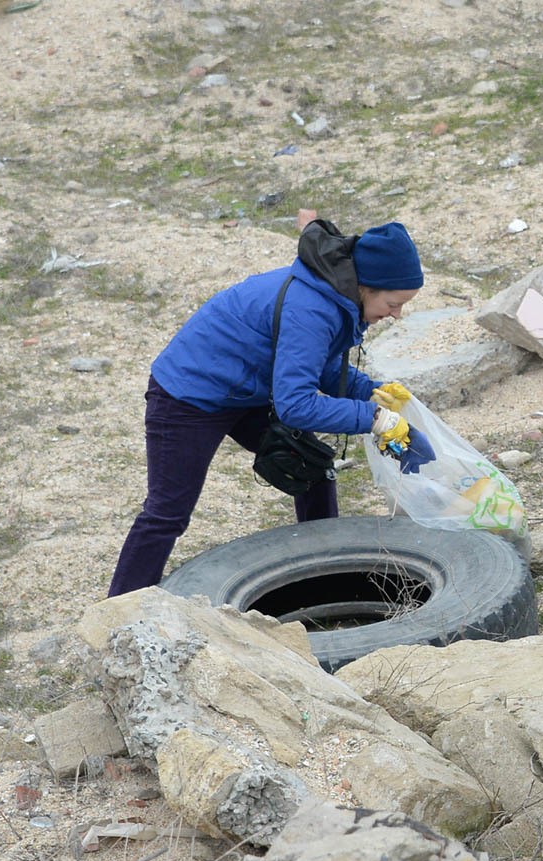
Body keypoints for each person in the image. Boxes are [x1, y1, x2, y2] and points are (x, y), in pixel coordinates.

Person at [108, 216, 426, 597]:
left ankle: (328, 581)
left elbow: (315, 364)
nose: (396, 314)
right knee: (167, 512)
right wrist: (373, 418)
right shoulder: (313, 308)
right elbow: (296, 405)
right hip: (188, 394)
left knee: (312, 468)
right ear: (366, 286)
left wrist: (369, 392)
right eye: (393, 304)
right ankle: (119, 609)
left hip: (245, 389)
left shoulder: (337, 296)